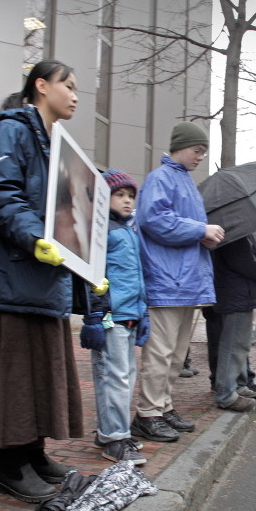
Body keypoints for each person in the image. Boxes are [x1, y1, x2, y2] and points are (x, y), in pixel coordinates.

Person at [0, 60, 92, 503]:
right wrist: (36, 237)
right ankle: (10, 466)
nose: (75, 95)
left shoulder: (57, 144)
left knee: (42, 366)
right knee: (16, 370)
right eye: (68, 86)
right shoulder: (11, 127)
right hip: (17, 271)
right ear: (40, 86)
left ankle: (33, 453)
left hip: (43, 274)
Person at [131, 121, 224, 442]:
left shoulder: (182, 181)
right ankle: (148, 413)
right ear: (181, 147)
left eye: (203, 152)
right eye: (198, 150)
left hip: (184, 282)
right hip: (167, 281)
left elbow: (170, 224)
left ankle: (163, 406)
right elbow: (154, 220)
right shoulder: (160, 179)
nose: (200, 157)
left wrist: (204, 236)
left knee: (174, 354)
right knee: (161, 353)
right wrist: (201, 231)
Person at [81, 170, 148, 465]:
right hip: (111, 316)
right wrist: (95, 315)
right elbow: (93, 275)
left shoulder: (129, 231)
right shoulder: (102, 231)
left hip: (130, 316)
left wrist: (142, 313)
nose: (127, 201)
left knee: (126, 376)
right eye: (120, 195)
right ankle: (114, 439)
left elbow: (138, 278)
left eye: (131, 196)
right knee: (114, 377)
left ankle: (112, 431)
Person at [210, 234, 256, 411]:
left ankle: (238, 386)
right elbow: (244, 261)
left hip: (236, 294)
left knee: (238, 345)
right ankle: (226, 394)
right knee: (234, 346)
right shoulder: (235, 231)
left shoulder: (237, 228)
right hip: (237, 295)